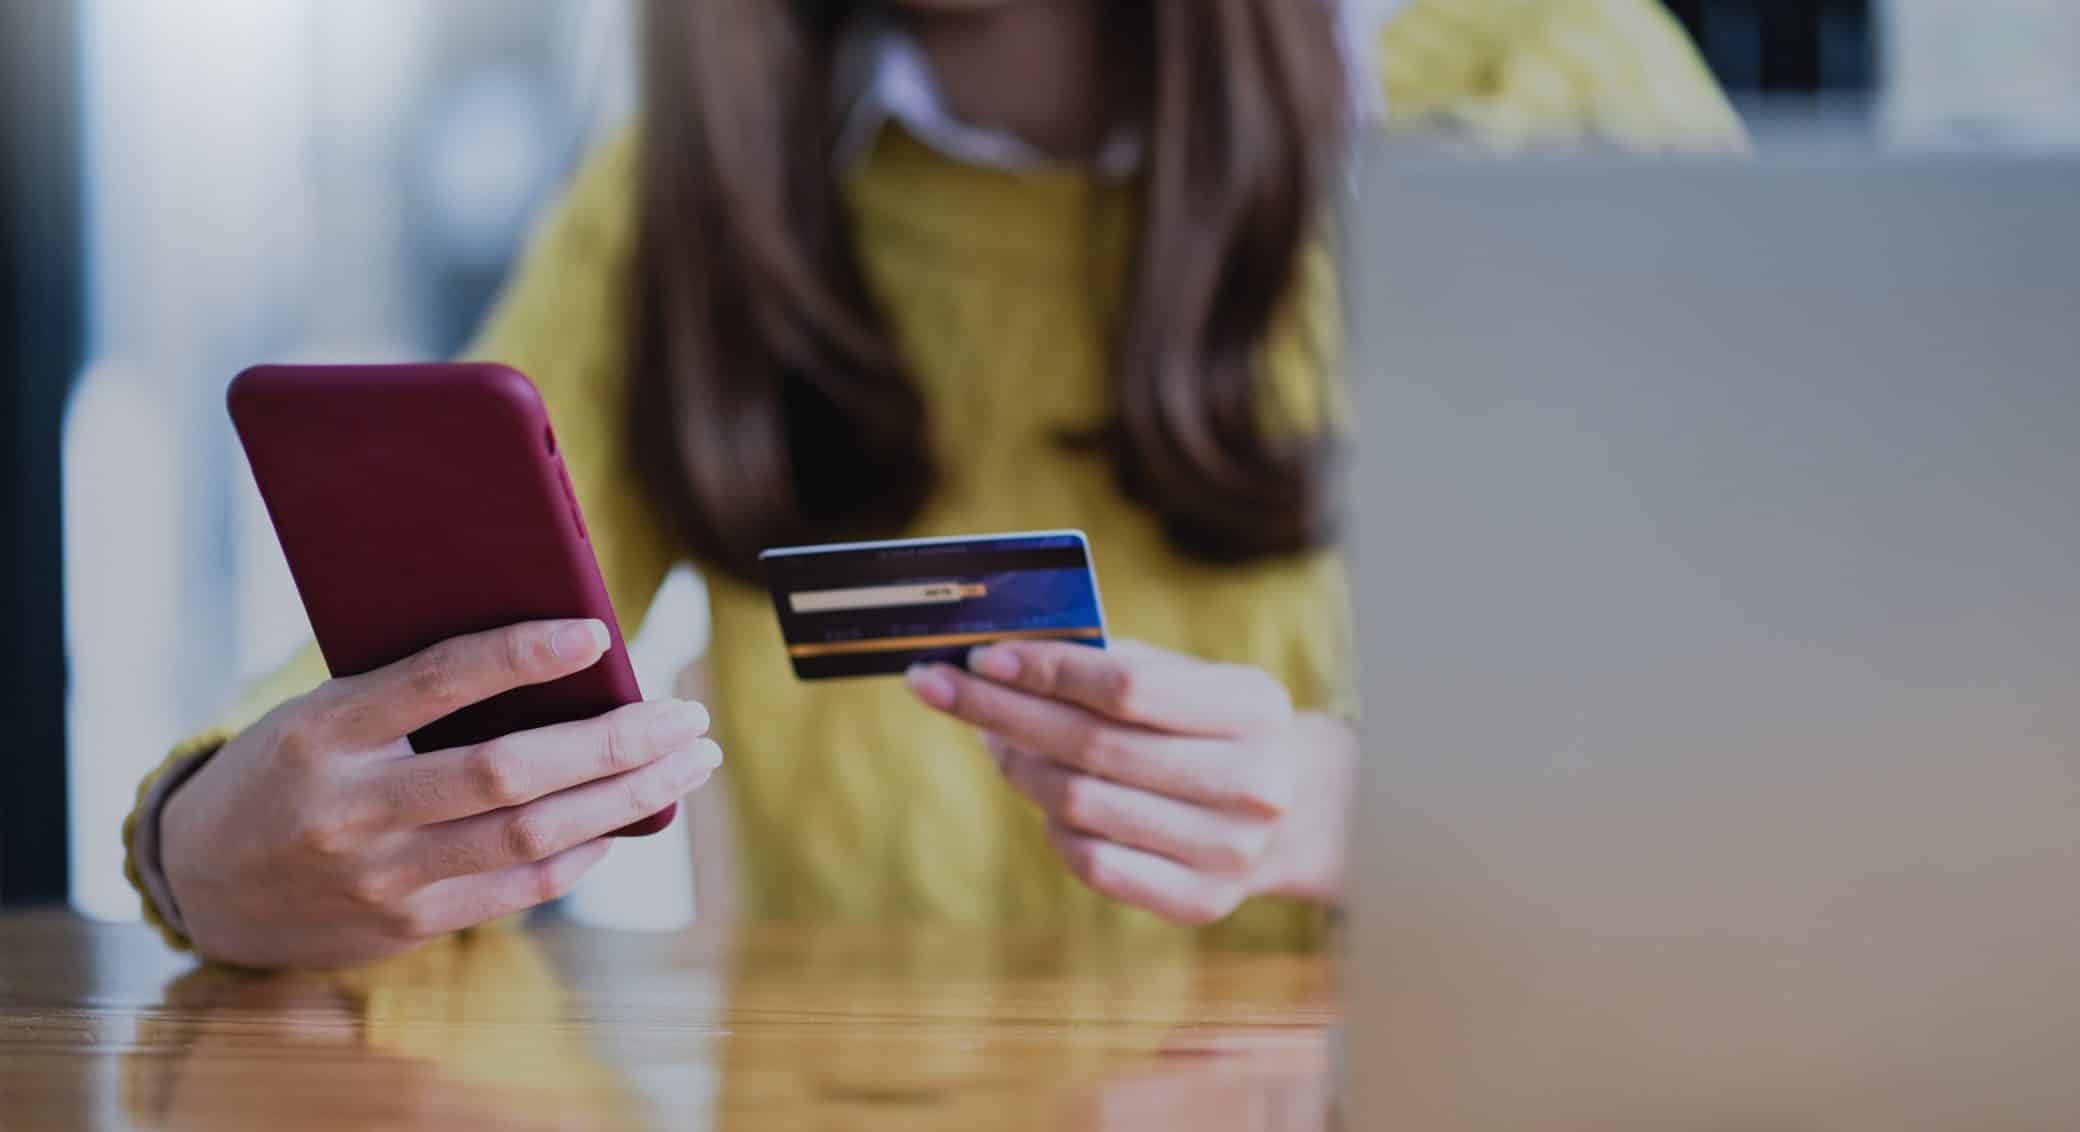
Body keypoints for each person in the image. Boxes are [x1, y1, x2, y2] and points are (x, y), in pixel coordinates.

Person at [125, 0, 1742, 969]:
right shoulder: (691, 193)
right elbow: (382, 698)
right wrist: (205, 850)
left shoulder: (1551, 86)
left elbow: (1802, 763)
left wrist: (1371, 816)